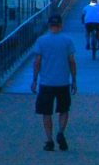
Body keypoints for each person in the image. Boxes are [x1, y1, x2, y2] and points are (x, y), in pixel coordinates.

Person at [28, 12, 81, 152]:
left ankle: (49, 140)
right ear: (61, 25)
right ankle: (61, 132)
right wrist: (74, 79)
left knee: (47, 112)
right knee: (64, 110)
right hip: (63, 82)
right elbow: (72, 61)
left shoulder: (41, 41)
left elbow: (37, 62)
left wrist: (34, 80)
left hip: (46, 83)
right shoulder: (67, 41)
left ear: (49, 25)